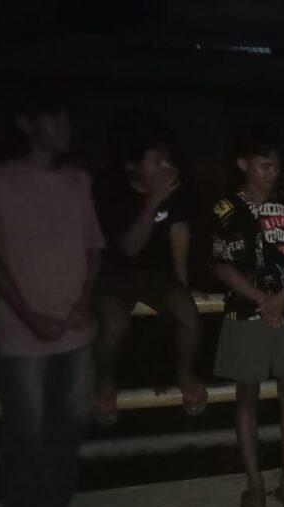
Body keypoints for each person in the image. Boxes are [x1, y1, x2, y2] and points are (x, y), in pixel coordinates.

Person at [0, 89, 104, 507]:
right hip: (23, 334)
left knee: (69, 425)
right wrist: (26, 314)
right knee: (25, 433)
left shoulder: (78, 180)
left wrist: (83, 300)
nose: (64, 131)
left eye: (66, 123)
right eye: (54, 122)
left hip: (76, 329)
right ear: (27, 125)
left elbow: (94, 247)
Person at [211, 132, 284, 507]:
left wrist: (282, 297)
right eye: (265, 165)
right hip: (245, 312)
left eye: (276, 165)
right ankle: (254, 485)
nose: (273, 172)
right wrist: (262, 300)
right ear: (244, 164)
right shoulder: (225, 209)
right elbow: (221, 264)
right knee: (246, 395)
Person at [92, 111, 207, 425]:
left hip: (158, 273)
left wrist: (182, 286)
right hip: (114, 272)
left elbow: (179, 233)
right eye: (157, 161)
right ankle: (105, 380)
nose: (168, 166)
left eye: (168, 158)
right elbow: (129, 248)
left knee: (188, 315)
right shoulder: (109, 187)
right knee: (114, 325)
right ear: (133, 165)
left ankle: (185, 374)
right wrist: (153, 201)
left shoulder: (177, 185)